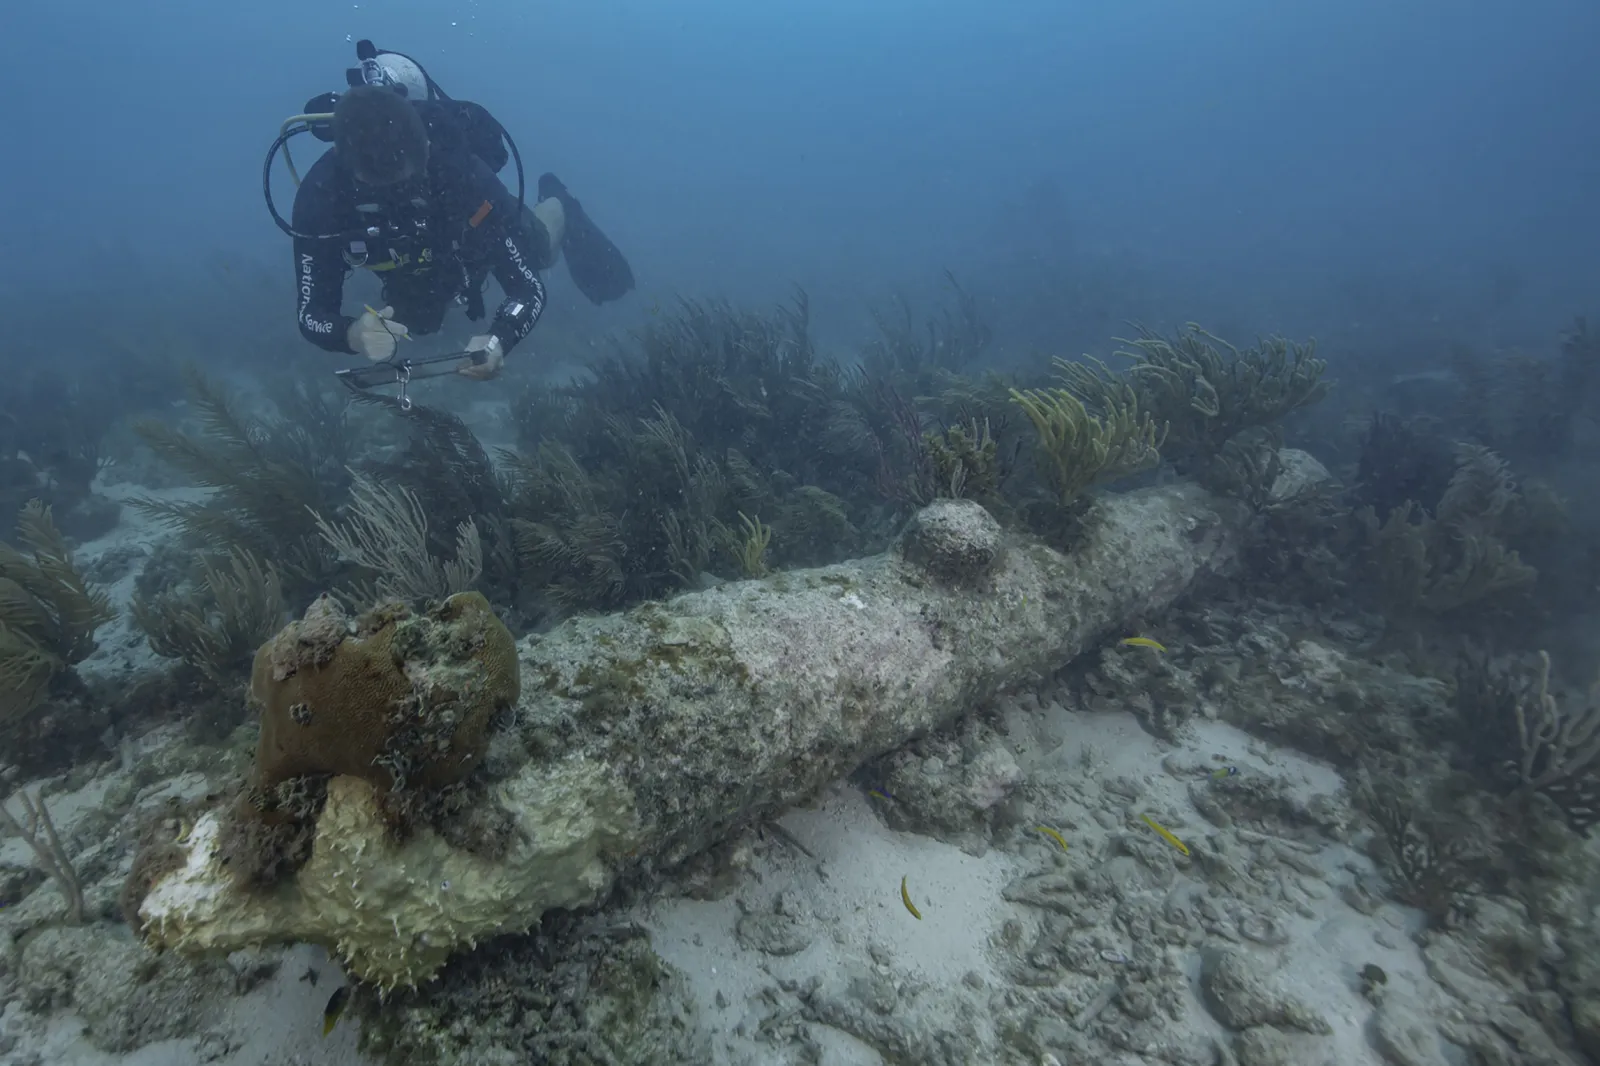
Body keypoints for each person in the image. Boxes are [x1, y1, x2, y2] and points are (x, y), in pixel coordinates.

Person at [288, 44, 633, 378]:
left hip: (464, 234)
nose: (398, 194)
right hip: (411, 257)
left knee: (539, 249)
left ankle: (558, 202)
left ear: (424, 147)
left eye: (406, 179)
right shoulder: (322, 195)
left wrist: (500, 339)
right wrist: (352, 334)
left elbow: (528, 289)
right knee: (421, 320)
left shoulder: (460, 172)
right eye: (379, 183)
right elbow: (312, 313)